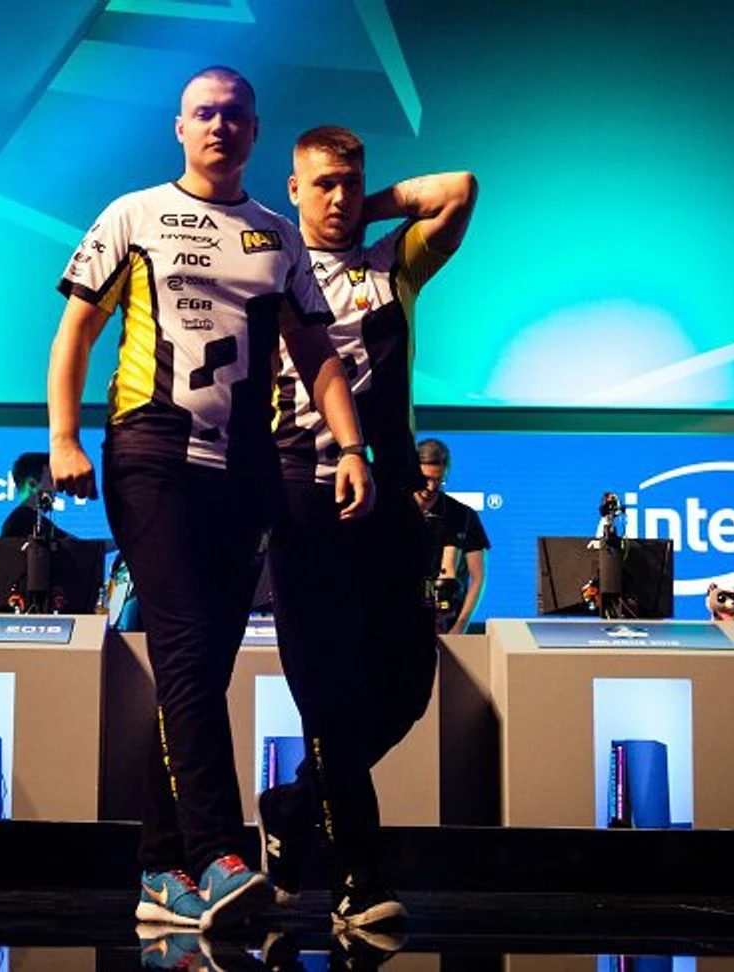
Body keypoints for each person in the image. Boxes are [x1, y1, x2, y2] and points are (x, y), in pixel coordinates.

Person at [47, 66, 374, 931]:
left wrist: (351, 446)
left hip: (247, 470)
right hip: (152, 453)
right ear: (180, 128)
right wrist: (64, 438)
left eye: (234, 115)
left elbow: (318, 353)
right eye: (204, 113)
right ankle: (219, 853)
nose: (220, 126)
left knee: (200, 670)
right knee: (189, 658)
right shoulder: (134, 214)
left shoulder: (277, 234)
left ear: (255, 133)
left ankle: (160, 872)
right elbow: (76, 329)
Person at [261, 125, 477, 930]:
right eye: (322, 184)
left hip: (388, 501)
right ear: (292, 188)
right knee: (327, 692)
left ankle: (290, 808)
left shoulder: (394, 265)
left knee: (408, 688)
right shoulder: (270, 272)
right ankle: (356, 875)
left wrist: (366, 209)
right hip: (301, 497)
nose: (339, 197)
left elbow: (458, 187)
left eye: (350, 182)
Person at [415, 437, 490, 635]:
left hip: (447, 623)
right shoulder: (393, 511)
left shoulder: (462, 514)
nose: (431, 487)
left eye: (438, 480)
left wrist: (460, 625)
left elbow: (478, 577)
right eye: (425, 479)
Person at [0, 451, 71, 540]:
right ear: (32, 484)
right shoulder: (21, 521)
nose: (56, 489)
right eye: (51, 480)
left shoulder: (37, 521)